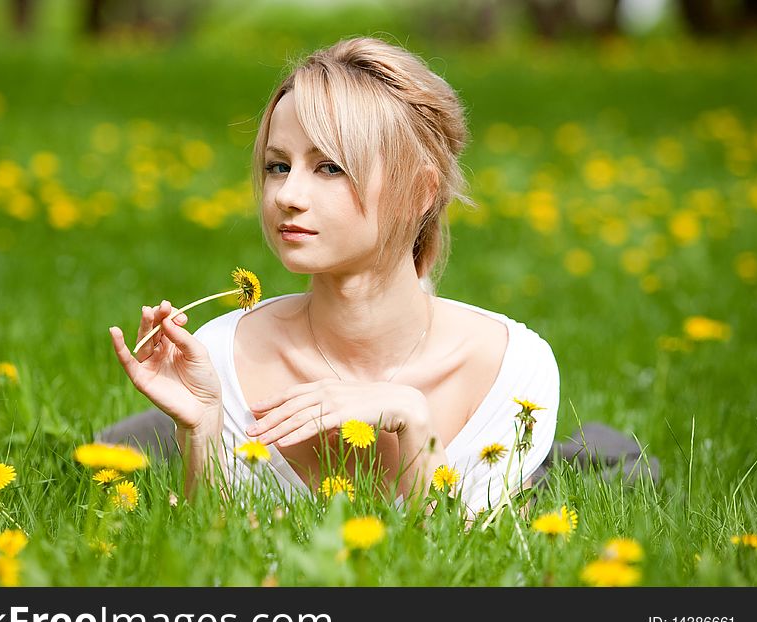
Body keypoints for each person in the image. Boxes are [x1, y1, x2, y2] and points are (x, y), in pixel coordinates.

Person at [105, 37, 580, 515]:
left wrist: (414, 420)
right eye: (278, 166)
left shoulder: (511, 372)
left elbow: (445, 570)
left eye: (329, 167)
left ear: (419, 191)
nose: (287, 194)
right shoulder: (222, 359)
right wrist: (201, 428)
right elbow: (210, 560)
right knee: (128, 446)